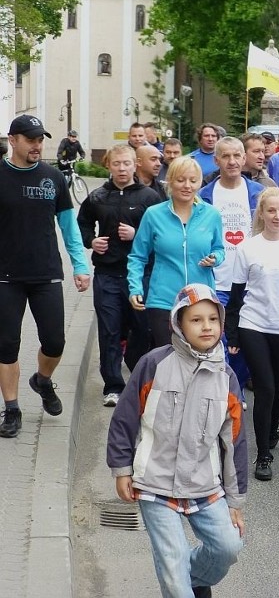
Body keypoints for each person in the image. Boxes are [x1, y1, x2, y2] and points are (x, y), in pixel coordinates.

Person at [107, 284, 247, 598]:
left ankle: (192, 577)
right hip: (155, 484)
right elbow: (124, 420)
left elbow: (234, 441)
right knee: (172, 572)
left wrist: (235, 503)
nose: (207, 326)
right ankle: (180, 583)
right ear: (178, 324)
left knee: (229, 546)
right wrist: (121, 469)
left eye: (213, 319)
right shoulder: (154, 364)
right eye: (196, 320)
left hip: (204, 484)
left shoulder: (227, 377)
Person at [0, 114, 90, 438]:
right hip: (5, 277)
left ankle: (41, 380)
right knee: (6, 346)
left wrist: (80, 266)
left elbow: (69, 228)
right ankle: (11, 409)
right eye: (30, 139)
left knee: (55, 342)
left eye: (40, 139)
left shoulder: (53, 177)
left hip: (46, 273)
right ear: (13, 140)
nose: (37, 145)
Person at [225, 188, 279, 481]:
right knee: (264, 388)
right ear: (261, 214)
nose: (277, 216)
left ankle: (273, 423)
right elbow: (236, 296)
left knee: (278, 390)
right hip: (254, 324)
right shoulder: (248, 248)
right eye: (271, 211)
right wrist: (234, 337)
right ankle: (263, 455)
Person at [77, 145, 161, 406]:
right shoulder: (98, 196)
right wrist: (91, 241)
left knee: (142, 329)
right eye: (117, 164)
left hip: (140, 275)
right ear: (108, 166)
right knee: (109, 330)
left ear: (135, 165)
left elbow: (161, 231)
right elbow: (82, 222)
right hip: (108, 273)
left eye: (126, 164)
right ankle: (113, 386)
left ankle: (138, 375)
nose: (122, 169)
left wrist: (137, 235)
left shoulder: (149, 197)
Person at [128, 155, 225, 348]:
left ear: (199, 183)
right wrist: (135, 288)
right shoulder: (153, 215)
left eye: (193, 180)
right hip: (164, 300)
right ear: (170, 182)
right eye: (180, 180)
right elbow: (137, 256)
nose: (187, 186)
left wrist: (215, 258)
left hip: (201, 299)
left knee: (199, 361)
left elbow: (219, 249)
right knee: (168, 359)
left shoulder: (211, 214)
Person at [198, 137, 265, 401]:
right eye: (225, 156)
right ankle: (226, 391)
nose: (233, 161)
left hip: (251, 280)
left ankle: (235, 390)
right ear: (216, 161)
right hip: (217, 279)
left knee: (247, 339)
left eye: (237, 155)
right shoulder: (205, 196)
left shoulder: (257, 192)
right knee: (222, 338)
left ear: (244, 158)